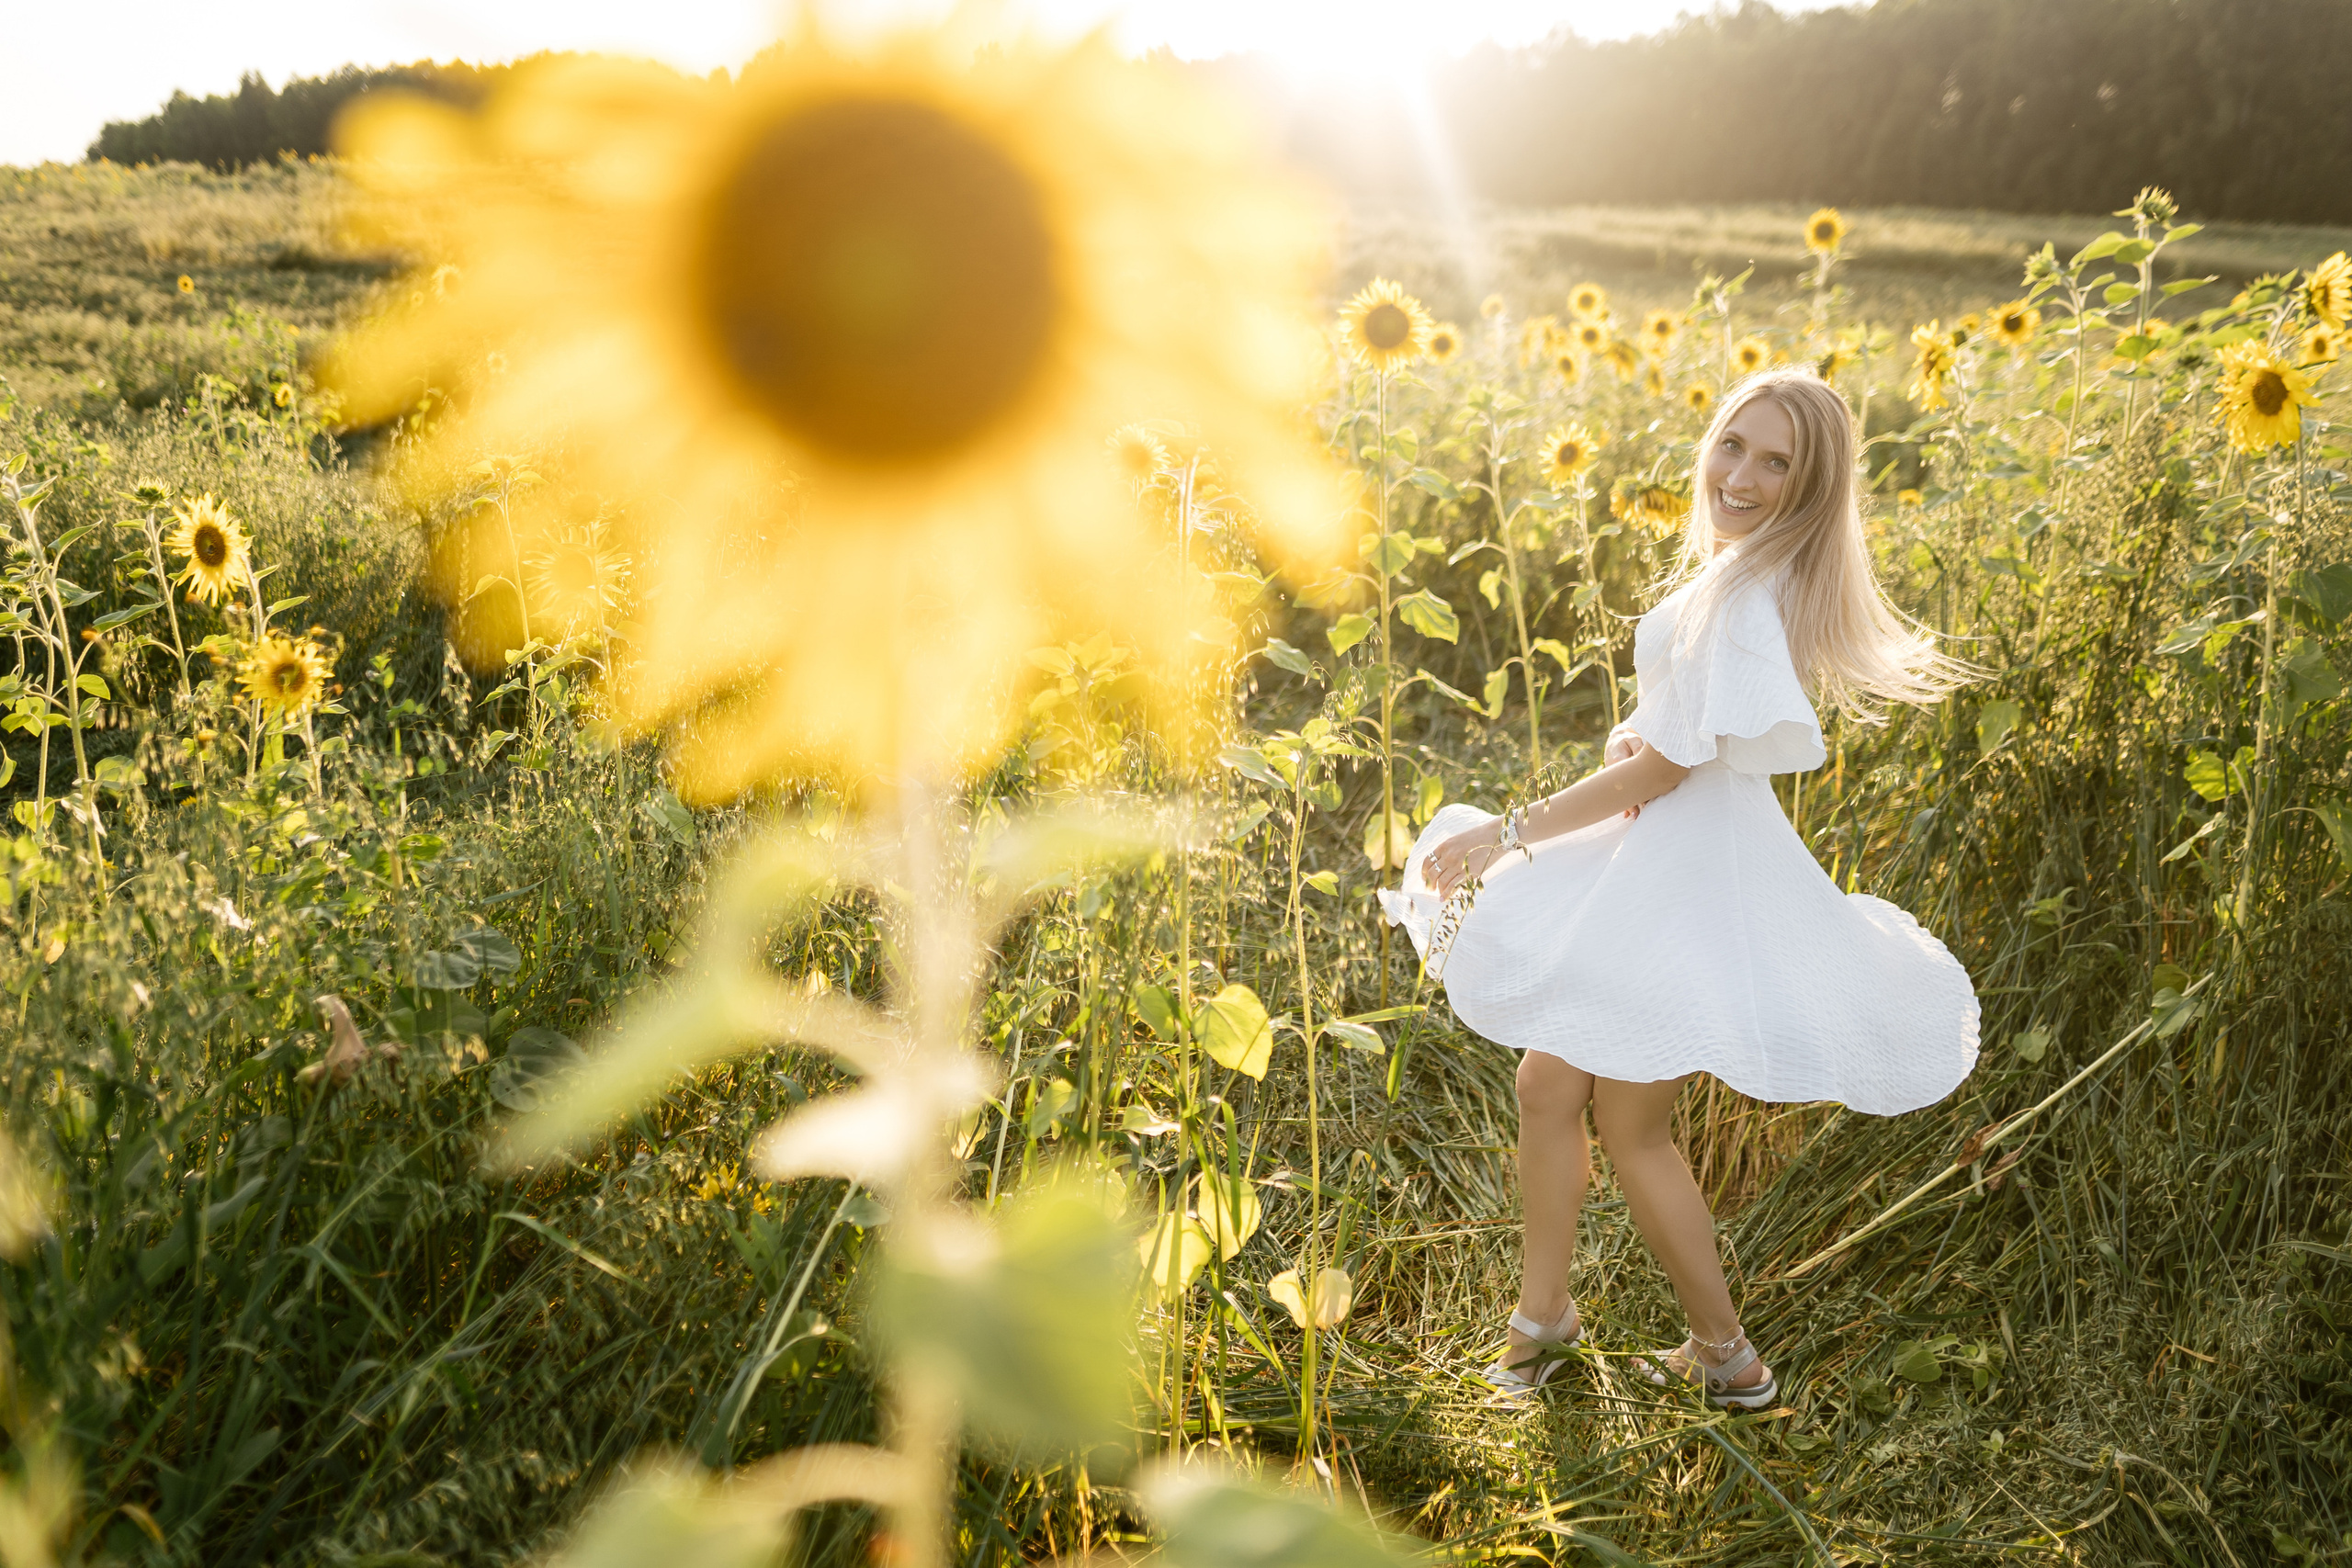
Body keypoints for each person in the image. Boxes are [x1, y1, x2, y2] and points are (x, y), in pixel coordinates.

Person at [1380, 368, 1980, 1407]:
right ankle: (1546, 1318)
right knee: (1548, 1088)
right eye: (1732, 445)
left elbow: (1667, 768)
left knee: (1630, 1122)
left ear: (1810, 485)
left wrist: (1503, 834)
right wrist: (1652, 727)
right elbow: (1683, 738)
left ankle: (1722, 1353)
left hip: (1684, 871)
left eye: (1775, 461)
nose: (1739, 474)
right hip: (1667, 851)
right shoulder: (1744, 573)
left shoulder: (1748, 593)